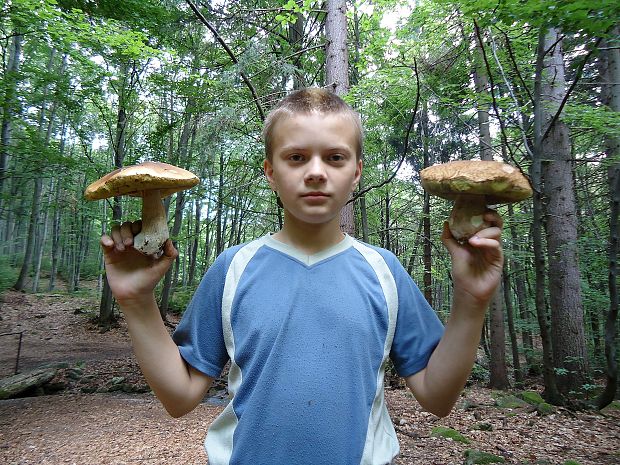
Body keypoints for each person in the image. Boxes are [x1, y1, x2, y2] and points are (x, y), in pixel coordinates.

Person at [101, 88, 503, 465]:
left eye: (335, 157)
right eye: (296, 158)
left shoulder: (384, 271)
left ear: (357, 171)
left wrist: (471, 300)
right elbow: (180, 397)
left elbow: (437, 397)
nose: (315, 172)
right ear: (270, 172)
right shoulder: (233, 267)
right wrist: (136, 302)